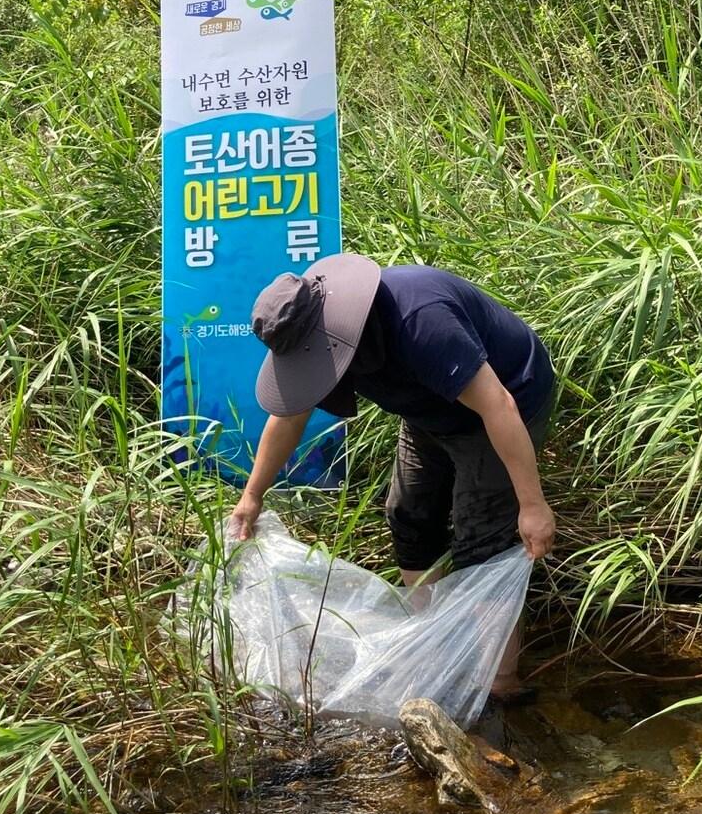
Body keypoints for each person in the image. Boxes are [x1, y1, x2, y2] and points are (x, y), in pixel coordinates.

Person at [228, 252, 557, 704]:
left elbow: (497, 406)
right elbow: (288, 417)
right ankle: (439, 646)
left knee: (483, 541)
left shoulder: (419, 322)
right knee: (408, 516)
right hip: (426, 413)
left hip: (503, 402)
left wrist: (533, 505)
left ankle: (500, 685)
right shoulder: (323, 340)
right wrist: (251, 496)